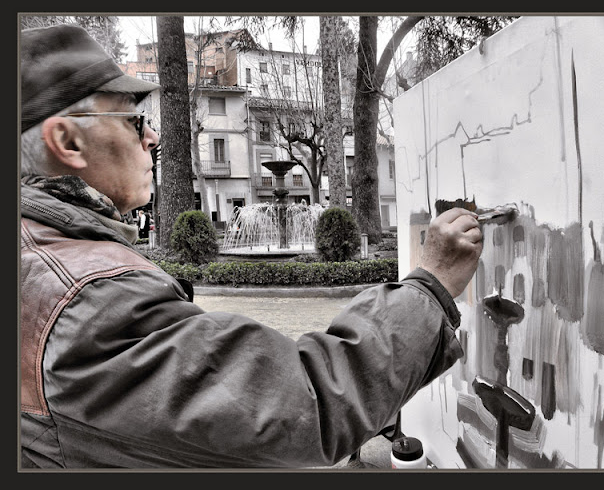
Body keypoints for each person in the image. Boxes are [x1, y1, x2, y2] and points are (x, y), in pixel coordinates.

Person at [20, 24, 483, 469]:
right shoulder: (88, 301)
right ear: (67, 139)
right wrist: (430, 285)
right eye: (133, 119)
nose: (153, 136)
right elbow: (308, 406)